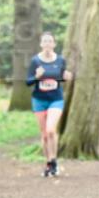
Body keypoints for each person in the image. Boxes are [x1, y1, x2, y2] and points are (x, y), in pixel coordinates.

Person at [25, 32, 72, 177]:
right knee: (45, 134)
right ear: (41, 44)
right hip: (39, 100)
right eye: (44, 41)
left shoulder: (60, 60)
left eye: (49, 41)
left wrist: (67, 77)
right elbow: (28, 82)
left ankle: (54, 160)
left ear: (54, 44)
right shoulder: (35, 61)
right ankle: (48, 162)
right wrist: (36, 77)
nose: (47, 44)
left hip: (55, 99)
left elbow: (62, 76)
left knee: (51, 130)